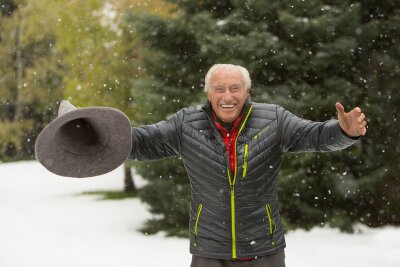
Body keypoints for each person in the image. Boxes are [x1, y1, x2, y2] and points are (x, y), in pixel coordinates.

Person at [129, 64, 367, 267]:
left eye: (235, 88)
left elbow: (314, 135)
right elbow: (143, 141)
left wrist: (343, 132)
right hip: (209, 250)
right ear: (208, 93)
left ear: (247, 91)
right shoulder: (186, 124)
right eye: (219, 89)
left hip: (264, 248)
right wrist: (106, 136)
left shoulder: (274, 119)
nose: (228, 97)